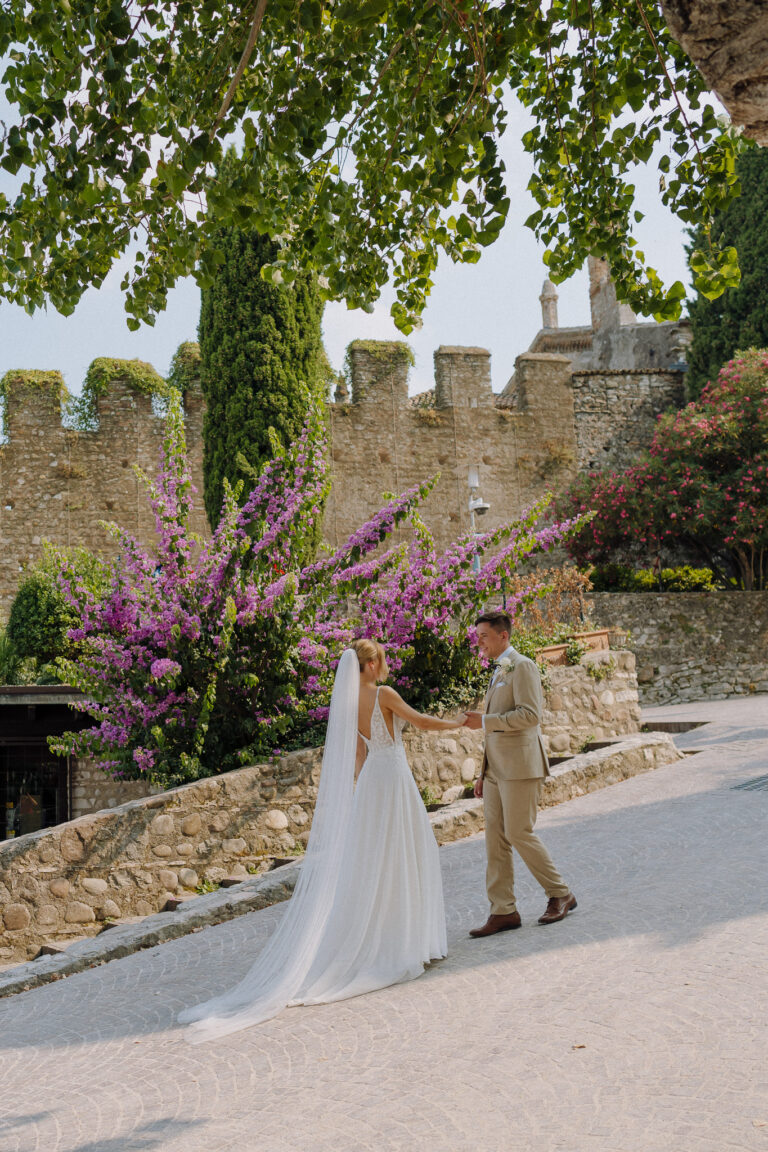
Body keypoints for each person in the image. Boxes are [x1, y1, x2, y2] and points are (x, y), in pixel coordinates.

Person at [178, 639, 466, 1041]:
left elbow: (358, 758)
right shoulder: (384, 693)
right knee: (406, 856)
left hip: (371, 784)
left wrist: (360, 792)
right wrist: (459, 723)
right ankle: (405, 944)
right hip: (394, 780)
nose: (386, 665)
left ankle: (395, 939)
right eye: (381, 659)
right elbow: (420, 722)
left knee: (374, 864)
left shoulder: (349, 705)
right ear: (369, 664)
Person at [464, 610, 576, 937]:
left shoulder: (523, 665)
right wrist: (483, 772)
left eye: (484, 635)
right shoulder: (501, 669)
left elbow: (530, 715)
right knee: (495, 840)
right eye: (478, 636)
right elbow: (497, 723)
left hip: (521, 766)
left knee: (519, 833)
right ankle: (503, 911)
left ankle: (561, 893)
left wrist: (483, 721)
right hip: (497, 769)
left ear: (503, 635)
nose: (479, 642)